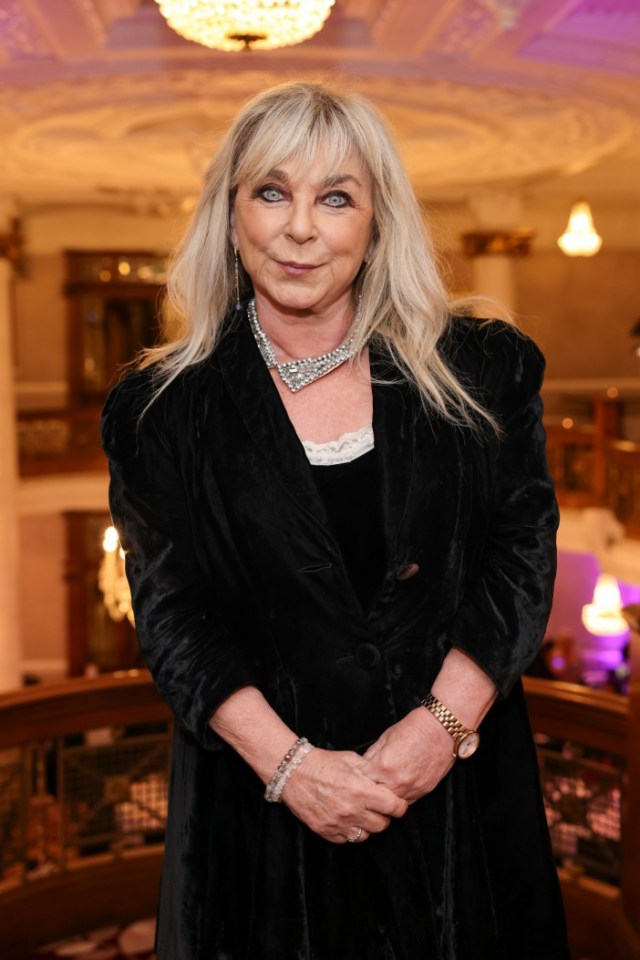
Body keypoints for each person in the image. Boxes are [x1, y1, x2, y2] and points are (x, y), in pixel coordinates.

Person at [101, 81, 570, 960]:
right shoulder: (161, 411)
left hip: (460, 801)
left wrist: (442, 727)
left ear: (377, 220)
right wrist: (294, 771)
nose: (301, 228)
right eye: (272, 192)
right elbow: (174, 621)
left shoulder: (480, 369)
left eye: (337, 197)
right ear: (230, 214)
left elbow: (520, 555)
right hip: (261, 823)